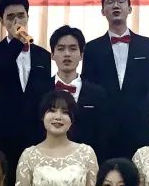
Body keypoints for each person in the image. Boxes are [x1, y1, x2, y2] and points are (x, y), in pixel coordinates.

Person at [0, 0, 53, 186]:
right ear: (2, 21)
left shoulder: (43, 55)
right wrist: (16, 41)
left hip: (36, 133)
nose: (17, 21)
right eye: (10, 17)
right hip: (3, 133)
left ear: (28, 17)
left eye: (21, 16)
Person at [82, 0, 149, 162]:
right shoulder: (92, 48)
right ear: (103, 11)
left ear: (130, 9)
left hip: (140, 128)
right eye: (110, 2)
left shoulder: (147, 45)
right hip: (103, 129)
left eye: (121, 1)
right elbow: (88, 88)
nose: (116, 5)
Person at [45, 25, 109, 154]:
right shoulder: (40, 90)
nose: (67, 54)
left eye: (73, 49)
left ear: (81, 55)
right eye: (61, 49)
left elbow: (103, 135)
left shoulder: (98, 94)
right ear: (52, 55)